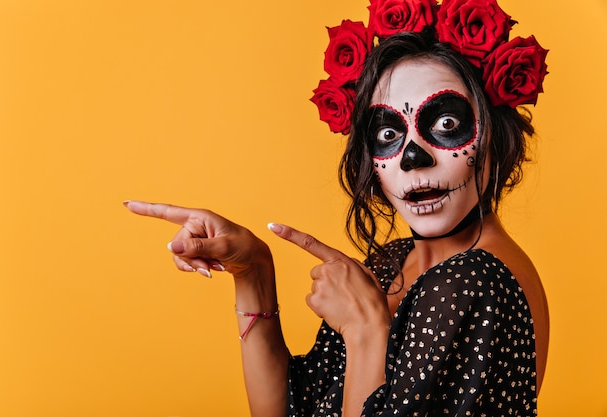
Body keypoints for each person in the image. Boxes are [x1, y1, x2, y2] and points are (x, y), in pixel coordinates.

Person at [125, 0, 549, 415]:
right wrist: (253, 271)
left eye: (446, 125)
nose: (412, 159)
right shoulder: (394, 262)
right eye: (387, 134)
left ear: (495, 134)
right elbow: (290, 409)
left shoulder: (474, 281)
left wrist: (366, 330)